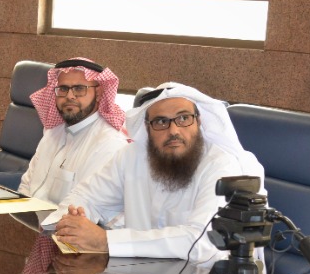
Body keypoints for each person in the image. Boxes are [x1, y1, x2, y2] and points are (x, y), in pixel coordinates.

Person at [55, 82, 263, 260]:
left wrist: (105, 240)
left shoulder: (222, 167)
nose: (174, 131)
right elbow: (85, 196)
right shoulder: (132, 156)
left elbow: (203, 242)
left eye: (183, 118)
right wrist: (72, 223)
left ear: (198, 121)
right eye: (161, 122)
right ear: (147, 127)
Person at [19, 58, 129, 203]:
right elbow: (26, 184)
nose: (69, 96)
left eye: (79, 89)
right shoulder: (53, 132)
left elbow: (83, 206)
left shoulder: (109, 144)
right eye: (63, 89)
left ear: (99, 93)